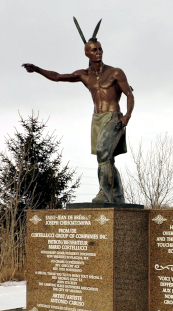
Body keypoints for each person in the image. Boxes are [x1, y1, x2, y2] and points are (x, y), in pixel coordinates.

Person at [23, 38, 134, 203]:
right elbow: (58, 77)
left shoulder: (115, 72)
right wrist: (38, 69)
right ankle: (118, 196)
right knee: (107, 157)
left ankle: (105, 194)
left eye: (100, 49)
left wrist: (127, 116)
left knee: (103, 154)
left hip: (113, 117)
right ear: (87, 54)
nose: (98, 53)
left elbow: (129, 94)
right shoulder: (84, 75)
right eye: (94, 50)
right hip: (97, 119)